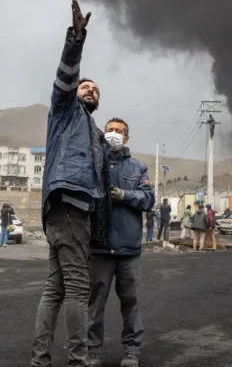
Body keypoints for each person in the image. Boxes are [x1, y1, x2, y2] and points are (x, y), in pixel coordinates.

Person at [32, 0, 112, 367]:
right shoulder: (66, 110)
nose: (90, 90)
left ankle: (40, 360)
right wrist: (77, 38)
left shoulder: (93, 131)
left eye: (95, 88)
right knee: (78, 288)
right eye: (85, 86)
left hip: (68, 210)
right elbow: (65, 78)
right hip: (69, 205)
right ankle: (78, 362)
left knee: (56, 288)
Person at [87, 118, 155, 367]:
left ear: (126, 138)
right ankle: (92, 352)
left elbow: (149, 199)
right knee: (95, 303)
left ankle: (131, 351)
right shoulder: (92, 165)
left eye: (119, 131)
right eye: (110, 130)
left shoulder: (138, 168)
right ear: (103, 134)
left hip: (128, 249)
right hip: (99, 247)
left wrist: (125, 194)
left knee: (131, 302)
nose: (113, 134)